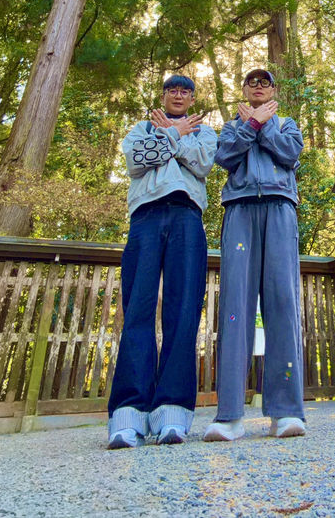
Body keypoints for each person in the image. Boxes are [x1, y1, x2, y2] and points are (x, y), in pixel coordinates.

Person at [107, 74, 217, 449]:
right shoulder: (142, 128)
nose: (179, 95)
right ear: (164, 95)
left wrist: (175, 134)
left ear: (191, 98)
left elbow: (203, 164)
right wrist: (174, 134)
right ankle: (128, 414)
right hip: (145, 217)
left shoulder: (202, 131)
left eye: (186, 91)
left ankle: (173, 410)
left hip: (188, 217)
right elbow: (136, 161)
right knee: (137, 308)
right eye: (173, 90)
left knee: (183, 311)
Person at [204, 68, 306, 441]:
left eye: (265, 83)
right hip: (240, 210)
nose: (258, 87)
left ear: (274, 89)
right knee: (235, 307)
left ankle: (287, 412)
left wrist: (264, 126)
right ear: (244, 90)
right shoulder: (231, 125)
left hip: (280, 207)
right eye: (252, 83)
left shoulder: (289, 123)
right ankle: (229, 414)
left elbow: (290, 153)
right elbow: (225, 157)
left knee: (282, 302)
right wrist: (250, 127)